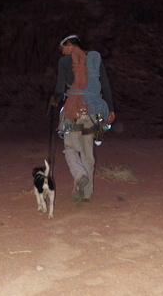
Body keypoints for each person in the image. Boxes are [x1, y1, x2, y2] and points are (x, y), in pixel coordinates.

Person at [50, 33, 115, 203]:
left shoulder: (64, 62)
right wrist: (111, 109)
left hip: (74, 111)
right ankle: (86, 193)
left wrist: (54, 100)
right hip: (93, 111)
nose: (63, 52)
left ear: (70, 45)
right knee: (87, 153)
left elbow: (59, 88)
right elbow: (106, 84)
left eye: (63, 48)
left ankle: (80, 176)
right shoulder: (94, 60)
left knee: (70, 148)